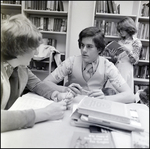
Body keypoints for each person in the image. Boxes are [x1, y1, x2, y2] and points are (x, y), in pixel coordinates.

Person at [1, 14, 74, 132]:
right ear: (20, 49)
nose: (36, 53)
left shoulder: (21, 67)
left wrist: (56, 95)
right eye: (33, 48)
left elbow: (37, 85)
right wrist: (46, 113)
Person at [43, 26, 135, 103]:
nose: (83, 50)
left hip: (94, 106)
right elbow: (45, 83)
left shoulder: (107, 66)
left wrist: (105, 99)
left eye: (89, 46)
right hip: (70, 103)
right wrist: (64, 89)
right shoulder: (71, 62)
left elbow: (130, 96)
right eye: (82, 45)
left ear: (99, 49)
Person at [105, 17, 142, 92]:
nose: (121, 32)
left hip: (126, 69)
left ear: (129, 29)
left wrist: (128, 51)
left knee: (122, 91)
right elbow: (116, 59)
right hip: (117, 68)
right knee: (111, 90)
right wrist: (112, 56)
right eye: (119, 30)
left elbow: (135, 61)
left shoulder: (136, 42)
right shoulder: (120, 42)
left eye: (123, 29)